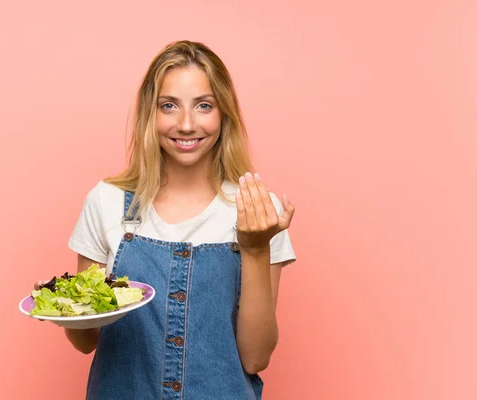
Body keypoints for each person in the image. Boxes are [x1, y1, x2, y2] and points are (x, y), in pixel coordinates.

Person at [43, 40, 296, 399]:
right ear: (151, 114)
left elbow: (255, 358)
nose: (187, 124)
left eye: (204, 106)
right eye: (169, 106)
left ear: (224, 114)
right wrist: (67, 312)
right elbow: (86, 342)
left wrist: (255, 249)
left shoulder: (255, 211)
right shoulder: (107, 202)